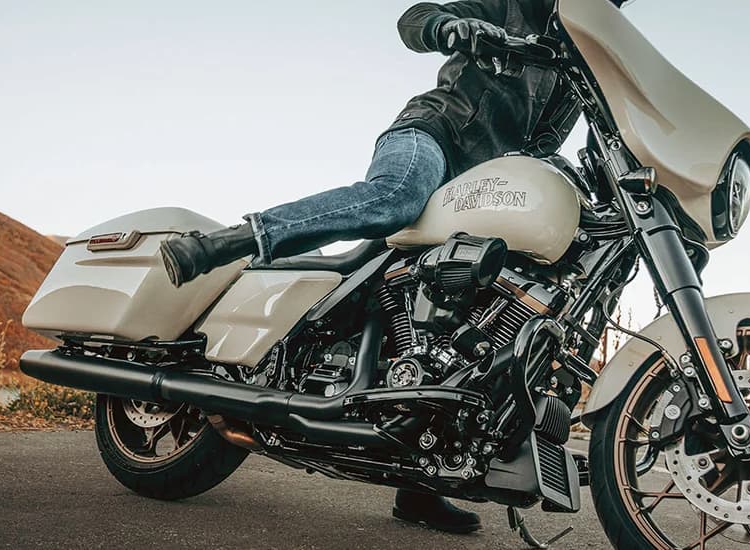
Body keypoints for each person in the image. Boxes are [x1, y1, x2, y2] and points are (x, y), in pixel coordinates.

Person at [159, 0, 581, 534]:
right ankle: (230, 242)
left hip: (489, 181)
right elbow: (417, 19)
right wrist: (449, 26)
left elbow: (546, 144)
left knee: (464, 320)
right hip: (434, 135)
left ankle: (422, 481)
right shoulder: (512, 3)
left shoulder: (574, 58)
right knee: (396, 197)